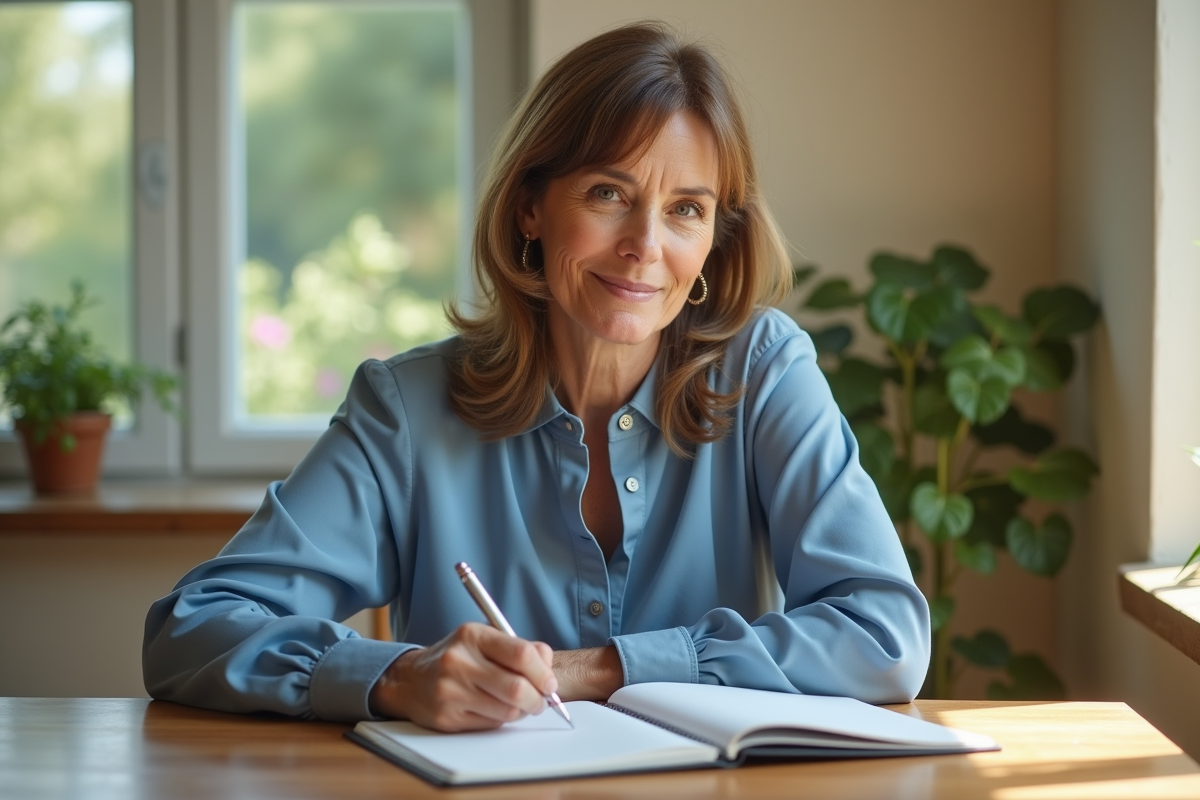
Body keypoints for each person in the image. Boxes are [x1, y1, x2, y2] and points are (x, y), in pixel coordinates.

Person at [143, 21, 930, 731]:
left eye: (686, 210)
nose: (644, 245)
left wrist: (605, 668)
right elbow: (190, 629)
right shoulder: (407, 411)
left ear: (715, 242)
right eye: (607, 193)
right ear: (530, 208)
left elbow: (884, 636)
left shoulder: (764, 372)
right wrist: (395, 676)